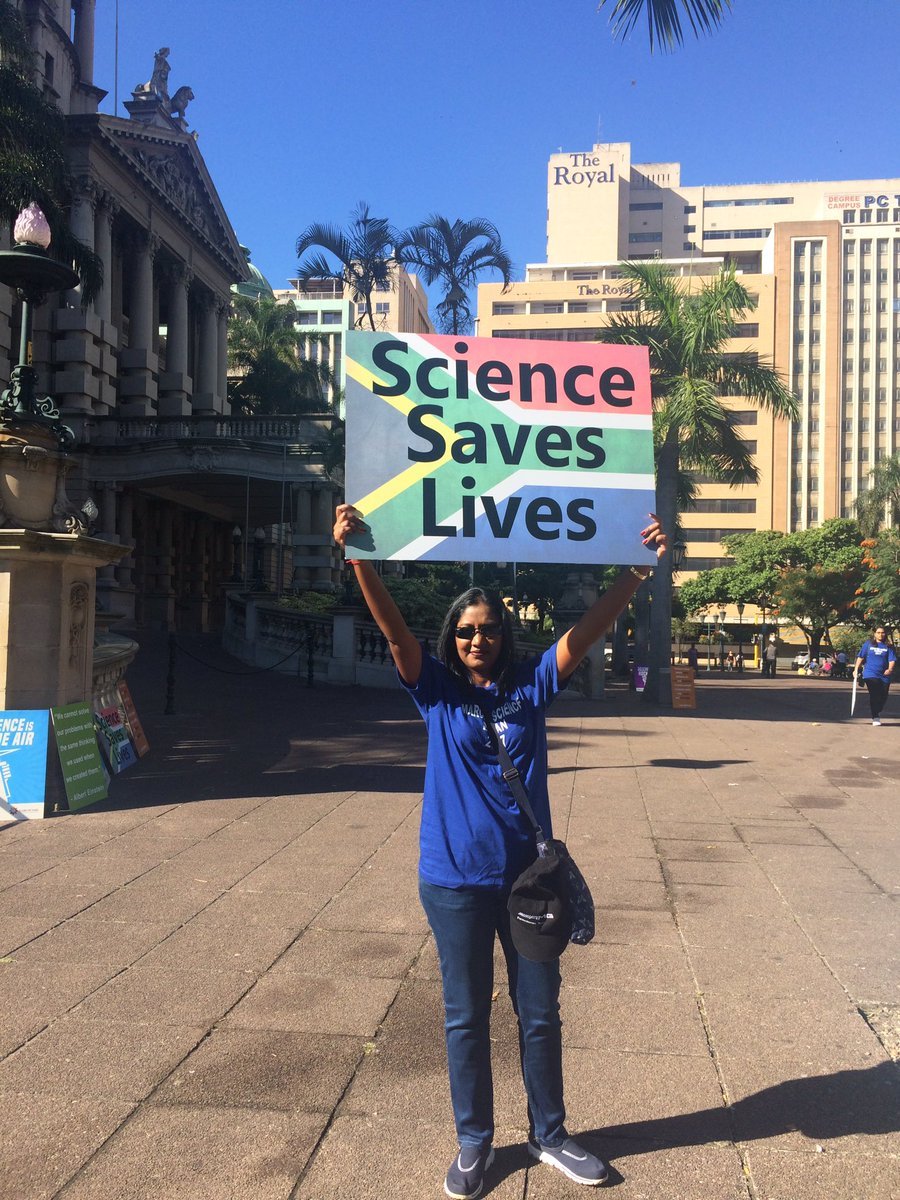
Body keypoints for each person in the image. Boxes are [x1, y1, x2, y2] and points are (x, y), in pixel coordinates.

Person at [333, 503, 667, 1198]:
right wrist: (361, 561)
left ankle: (550, 1135)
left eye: (486, 630)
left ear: (503, 635)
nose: (476, 639)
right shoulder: (436, 693)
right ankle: (475, 1143)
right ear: (451, 640)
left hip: (529, 884)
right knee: (465, 1016)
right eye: (464, 631)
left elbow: (586, 632)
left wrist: (634, 574)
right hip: (453, 883)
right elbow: (394, 636)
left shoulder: (531, 687)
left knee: (539, 1011)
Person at [853, 626, 896, 726]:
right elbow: (860, 657)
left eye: (882, 633)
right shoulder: (868, 644)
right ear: (874, 634)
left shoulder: (888, 646)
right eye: (878, 632)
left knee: (883, 696)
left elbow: (892, 660)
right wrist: (856, 669)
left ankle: (877, 709)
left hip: (884, 675)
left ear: (885, 634)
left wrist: (890, 669)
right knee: (875, 693)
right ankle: (875, 716)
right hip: (870, 673)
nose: (880, 634)